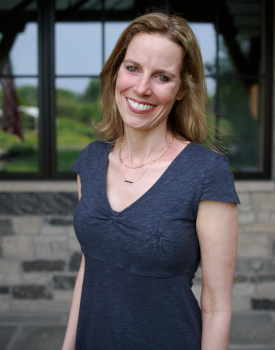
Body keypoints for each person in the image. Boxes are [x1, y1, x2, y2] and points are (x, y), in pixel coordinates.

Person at [62, 11, 240, 350]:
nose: (141, 88)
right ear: (116, 72)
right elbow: (91, 264)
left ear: (182, 89)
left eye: (162, 76)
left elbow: (217, 306)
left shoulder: (206, 172)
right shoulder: (91, 160)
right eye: (132, 68)